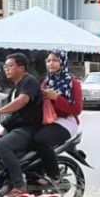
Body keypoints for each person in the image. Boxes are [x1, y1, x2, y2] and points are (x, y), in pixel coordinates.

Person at [0, 53, 42, 197]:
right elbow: (4, 103)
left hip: (28, 128)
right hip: (14, 128)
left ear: (21, 68)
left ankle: (19, 185)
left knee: (3, 145)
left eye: (10, 66)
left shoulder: (30, 81)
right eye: (5, 66)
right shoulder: (16, 86)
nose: (6, 69)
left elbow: (22, 101)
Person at [34, 49, 83, 183]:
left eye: (55, 60)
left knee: (41, 140)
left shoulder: (73, 83)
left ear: (63, 62)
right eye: (48, 61)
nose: (51, 63)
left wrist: (56, 98)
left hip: (66, 122)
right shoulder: (46, 82)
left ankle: (54, 175)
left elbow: (77, 109)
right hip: (48, 120)